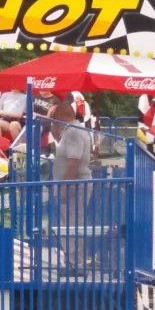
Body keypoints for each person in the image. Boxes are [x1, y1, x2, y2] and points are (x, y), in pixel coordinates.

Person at [51, 103, 94, 273]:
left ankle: (76, 264)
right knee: (70, 223)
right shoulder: (72, 130)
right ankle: (74, 262)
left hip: (74, 186)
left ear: (61, 115)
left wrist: (65, 187)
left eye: (54, 117)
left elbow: (73, 162)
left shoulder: (74, 132)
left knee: (72, 224)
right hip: (75, 184)